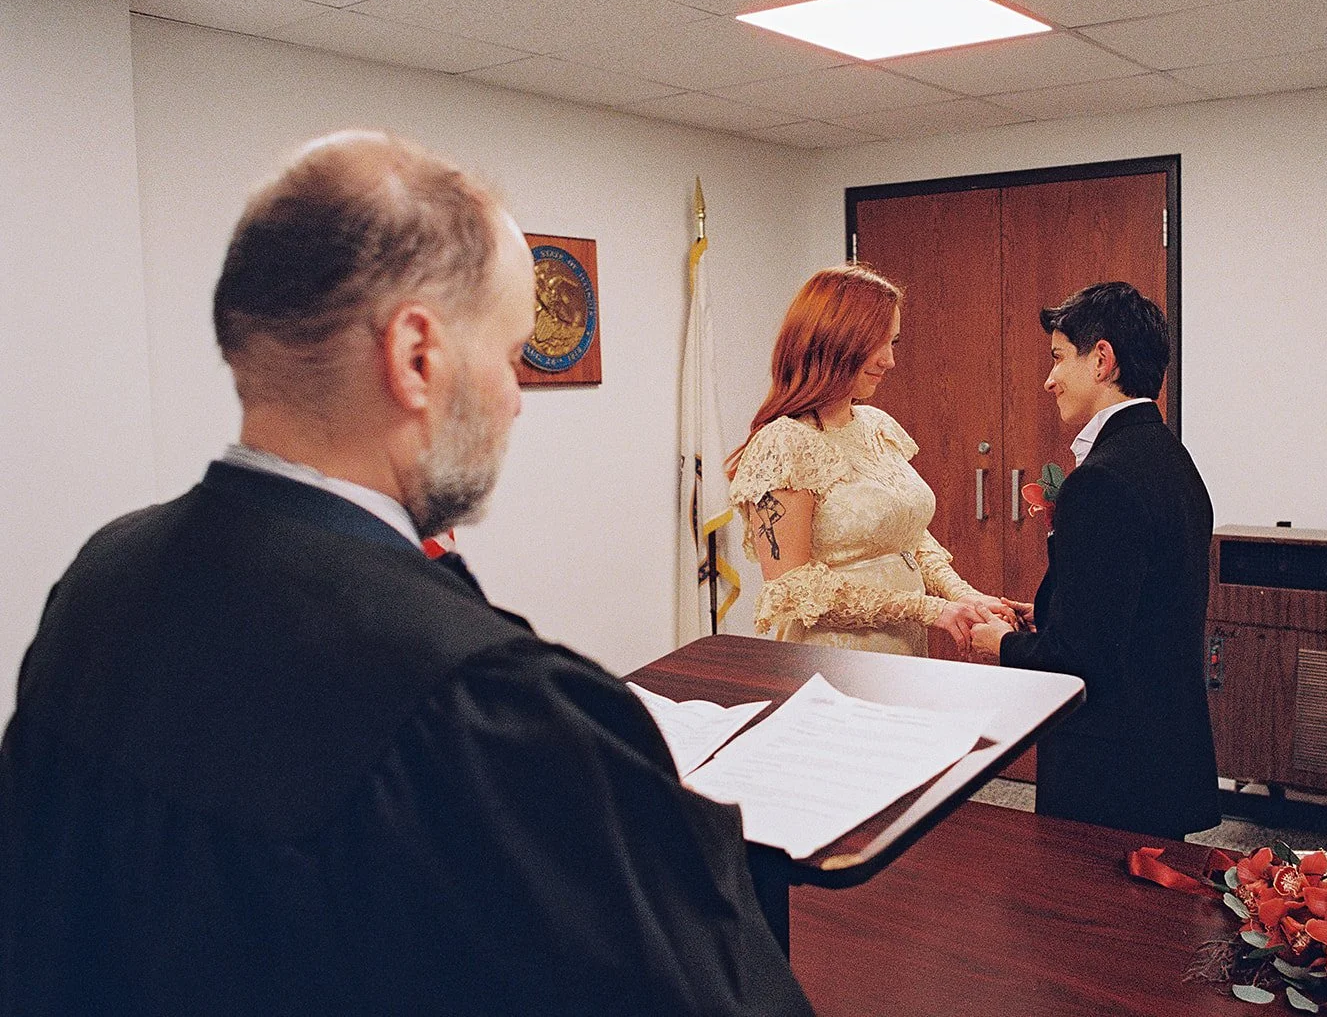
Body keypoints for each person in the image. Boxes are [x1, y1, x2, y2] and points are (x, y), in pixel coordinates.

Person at [0, 132, 812, 1016]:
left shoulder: (101, 579)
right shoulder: (480, 703)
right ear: (418, 357)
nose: (514, 401)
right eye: (510, 360)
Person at [970, 281, 1219, 840]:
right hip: (1162, 749)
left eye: (1059, 358)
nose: (1049, 378)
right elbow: (1137, 611)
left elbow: (1079, 662)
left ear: (1102, 359)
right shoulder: (1171, 459)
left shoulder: (1102, 481)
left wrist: (998, 643)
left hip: (1111, 767)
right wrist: (1048, 614)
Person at [726, 265, 1009, 657]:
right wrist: (930, 609)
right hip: (833, 659)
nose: (890, 361)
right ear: (833, 342)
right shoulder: (783, 444)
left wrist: (965, 596)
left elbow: (908, 536)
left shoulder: (877, 425)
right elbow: (792, 585)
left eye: (893, 343)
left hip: (904, 651)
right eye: (877, 344)